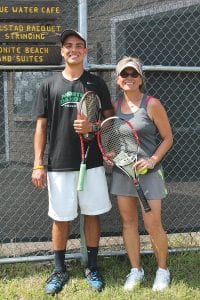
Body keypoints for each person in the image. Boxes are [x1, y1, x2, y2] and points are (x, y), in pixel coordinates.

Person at [32, 29, 114, 295]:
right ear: (62, 51)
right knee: (61, 217)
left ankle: (92, 266)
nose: (73, 49)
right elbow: (41, 128)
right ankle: (58, 270)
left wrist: (92, 125)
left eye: (79, 46)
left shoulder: (96, 84)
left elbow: (110, 124)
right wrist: (37, 163)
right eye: (68, 46)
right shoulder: (48, 85)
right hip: (58, 163)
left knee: (92, 214)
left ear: (85, 51)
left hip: (92, 163)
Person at [110, 56, 173, 292]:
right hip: (122, 173)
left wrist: (152, 159)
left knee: (153, 224)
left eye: (133, 74)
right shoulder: (114, 108)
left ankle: (162, 270)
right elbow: (111, 139)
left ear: (140, 78)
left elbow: (168, 138)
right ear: (118, 80)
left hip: (149, 174)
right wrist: (112, 155)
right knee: (128, 223)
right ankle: (136, 270)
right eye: (124, 75)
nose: (129, 78)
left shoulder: (152, 104)